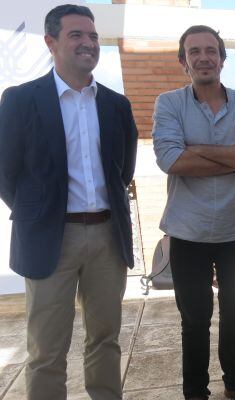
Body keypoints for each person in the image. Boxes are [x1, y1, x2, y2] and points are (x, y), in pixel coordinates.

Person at [0, 4, 137, 399]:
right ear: (51, 42)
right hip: (49, 238)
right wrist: (40, 213)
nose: (88, 43)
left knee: (106, 339)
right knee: (46, 349)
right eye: (76, 35)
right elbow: (7, 173)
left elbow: (122, 171)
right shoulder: (21, 100)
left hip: (108, 238)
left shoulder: (116, 104)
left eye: (92, 36)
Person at [152, 25, 235, 400]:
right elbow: (170, 159)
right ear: (183, 62)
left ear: (222, 59)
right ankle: (196, 393)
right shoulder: (169, 103)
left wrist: (198, 149)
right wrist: (234, 153)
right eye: (195, 52)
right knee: (194, 319)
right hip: (187, 230)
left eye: (211, 51)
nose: (204, 57)